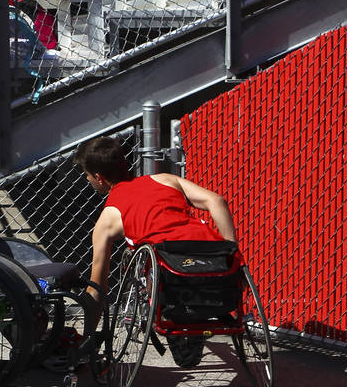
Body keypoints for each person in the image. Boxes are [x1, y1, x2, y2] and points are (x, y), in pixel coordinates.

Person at [74, 135, 237, 364]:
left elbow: (97, 288)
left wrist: (87, 339)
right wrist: (232, 251)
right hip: (211, 257)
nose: (88, 180)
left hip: (172, 271)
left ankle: (177, 319)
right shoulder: (165, 179)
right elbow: (217, 201)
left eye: (87, 176)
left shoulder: (108, 218)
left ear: (99, 178)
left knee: (158, 262)